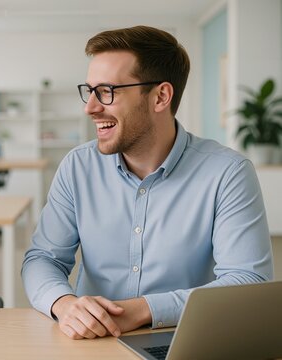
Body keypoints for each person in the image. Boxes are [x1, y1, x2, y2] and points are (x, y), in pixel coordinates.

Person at [22, 25, 273, 340]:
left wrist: (142, 310)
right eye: (89, 91)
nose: (90, 108)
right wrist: (64, 304)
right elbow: (42, 258)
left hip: (186, 339)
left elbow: (248, 279)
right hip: (92, 342)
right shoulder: (78, 167)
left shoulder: (228, 173)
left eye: (107, 91)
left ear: (160, 97)